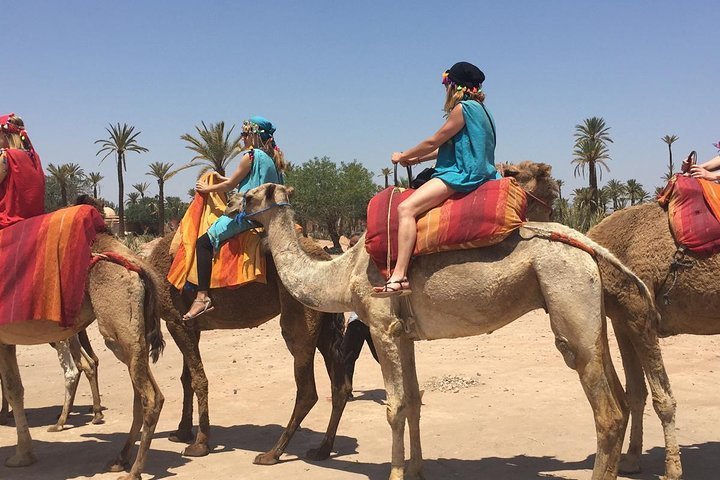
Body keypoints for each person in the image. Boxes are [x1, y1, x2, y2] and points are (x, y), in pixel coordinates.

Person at [372, 61, 499, 297]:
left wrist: (403, 155)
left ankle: (398, 276)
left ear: (454, 86)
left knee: (406, 208)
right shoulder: (484, 111)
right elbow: (446, 147)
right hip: (484, 171)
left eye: (446, 85)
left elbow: (434, 140)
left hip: (462, 174)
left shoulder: (463, 109)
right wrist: (415, 160)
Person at [182, 116, 287, 321]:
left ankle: (202, 297)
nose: (242, 138)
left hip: (247, 215)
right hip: (267, 216)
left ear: (254, 135)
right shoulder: (270, 160)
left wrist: (207, 188)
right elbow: (237, 181)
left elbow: (230, 186)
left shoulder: (250, 156)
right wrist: (222, 179)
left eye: (244, 134)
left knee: (203, 243)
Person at [341, 235, 379, 399]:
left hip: (360, 319)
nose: (349, 248)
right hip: (373, 318)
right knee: (381, 355)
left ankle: (345, 390)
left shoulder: (359, 267)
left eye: (351, 245)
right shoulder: (372, 264)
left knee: (346, 355)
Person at [0, 113, 45, 229]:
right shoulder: (35, 157)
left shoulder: (5, 156)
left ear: (5, 135)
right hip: (34, 217)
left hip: (8, 219)